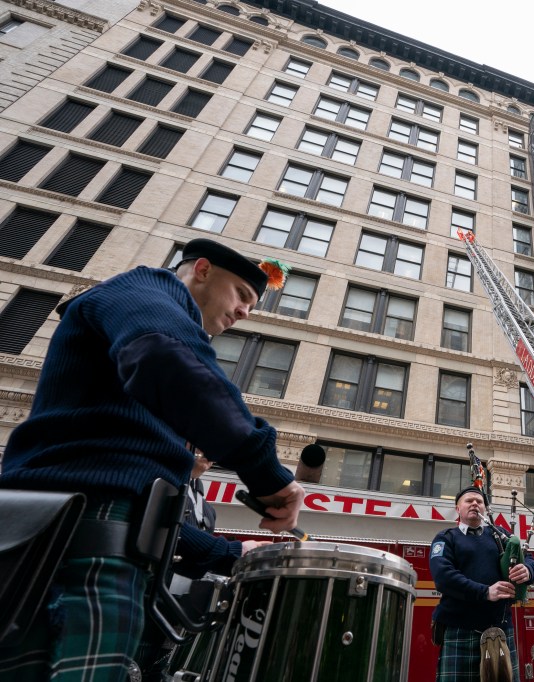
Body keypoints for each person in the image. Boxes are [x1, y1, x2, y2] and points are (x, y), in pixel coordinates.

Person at [0, 238, 305, 682]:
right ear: (202, 270)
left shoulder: (159, 320)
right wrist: (266, 473)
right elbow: (165, 358)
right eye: (241, 294)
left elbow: (137, 497)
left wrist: (231, 551)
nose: (244, 312)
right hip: (77, 534)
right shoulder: (141, 289)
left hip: (103, 534)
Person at [135, 453, 270, 681]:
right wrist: (235, 551)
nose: (209, 456)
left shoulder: (208, 510)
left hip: (176, 615)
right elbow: (166, 532)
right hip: (144, 604)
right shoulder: (161, 478)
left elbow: (194, 557)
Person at [429, 486, 534, 682]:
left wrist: (528, 570)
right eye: (468, 500)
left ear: (485, 509)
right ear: (458, 508)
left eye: (479, 501)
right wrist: (485, 592)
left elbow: (529, 559)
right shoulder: (446, 538)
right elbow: (443, 577)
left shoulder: (499, 535)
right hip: (460, 629)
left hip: (500, 629)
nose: (474, 504)